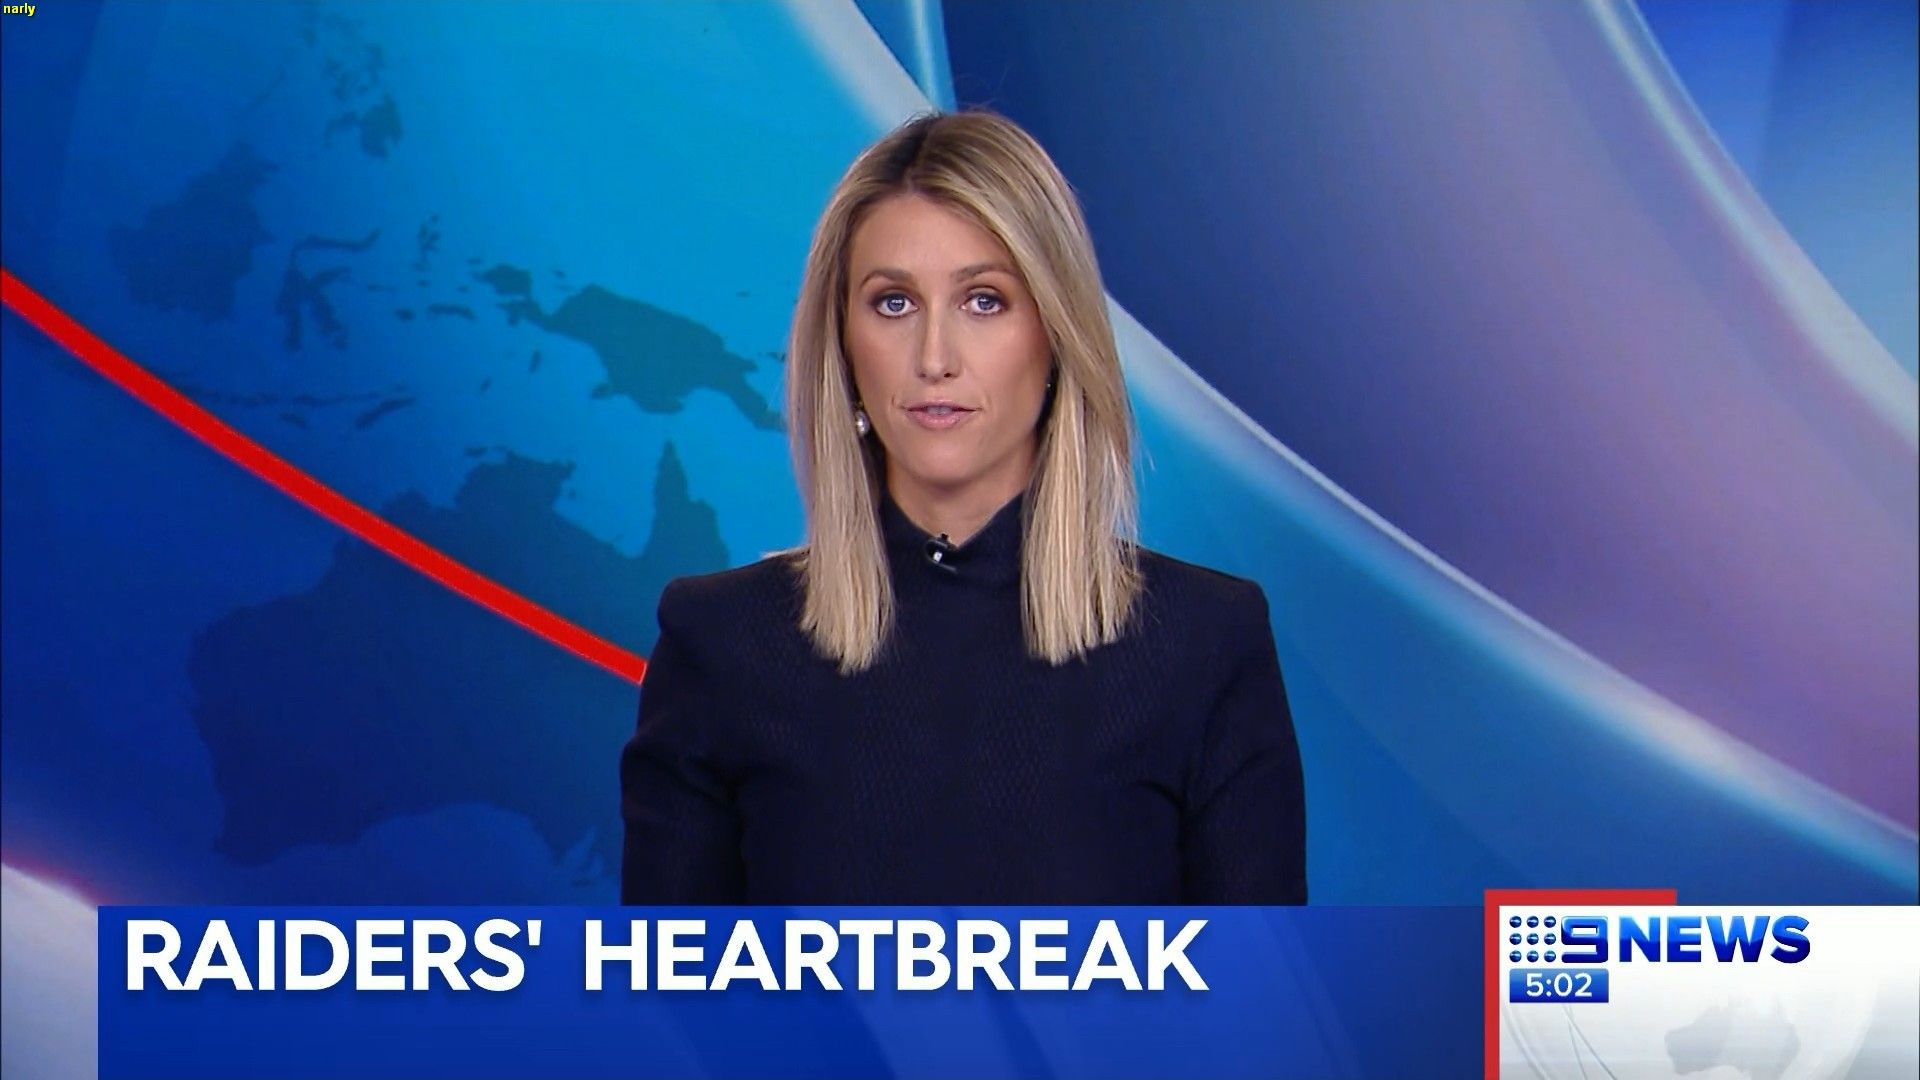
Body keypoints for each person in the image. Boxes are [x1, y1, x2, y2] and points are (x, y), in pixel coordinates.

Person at [619, 108, 1305, 905]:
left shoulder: (1203, 645)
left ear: (1056, 336)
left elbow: (1258, 985)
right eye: (893, 304)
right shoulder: (721, 644)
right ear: (842, 345)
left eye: (984, 301)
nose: (934, 357)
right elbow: (673, 983)